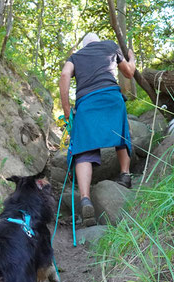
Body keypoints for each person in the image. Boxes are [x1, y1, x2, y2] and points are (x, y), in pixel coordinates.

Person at [59, 32, 136, 226]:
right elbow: (129, 72)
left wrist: (67, 109)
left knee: (84, 149)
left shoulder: (75, 57)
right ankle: (125, 175)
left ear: (84, 46)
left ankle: (85, 198)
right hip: (111, 97)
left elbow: (64, 74)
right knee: (120, 136)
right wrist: (132, 58)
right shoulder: (110, 46)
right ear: (98, 41)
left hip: (87, 104)